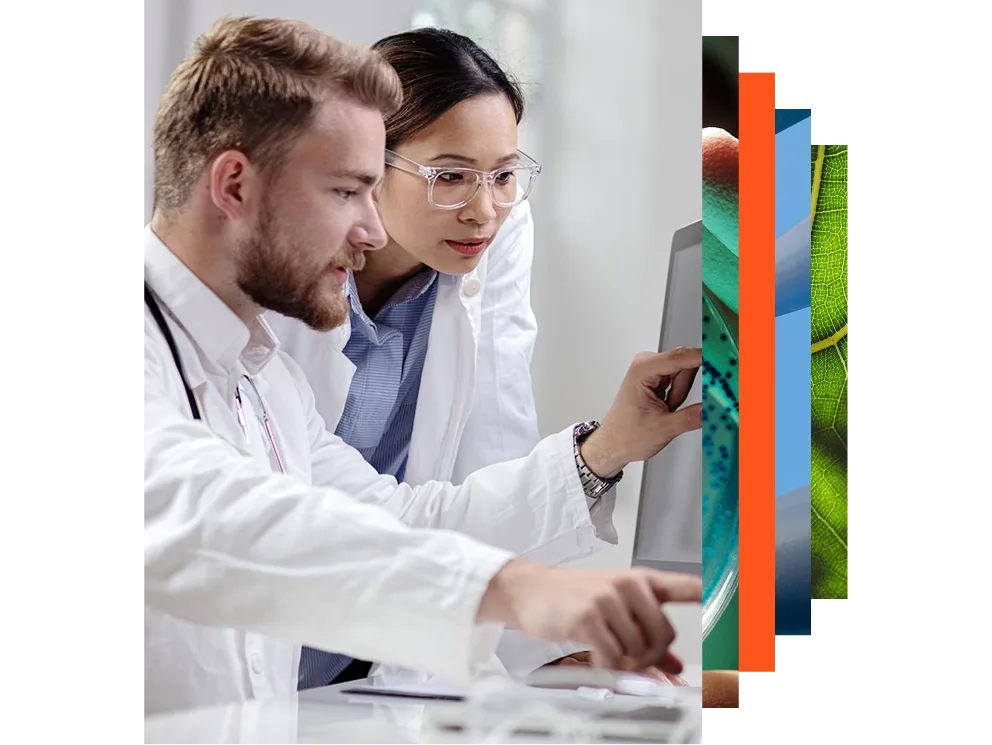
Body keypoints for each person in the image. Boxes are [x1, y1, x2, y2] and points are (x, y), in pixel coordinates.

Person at [144, 15, 704, 716]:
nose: (372, 230)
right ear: (234, 186)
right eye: (348, 192)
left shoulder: (263, 378)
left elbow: (400, 518)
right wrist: (509, 589)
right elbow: (204, 509)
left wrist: (603, 452)